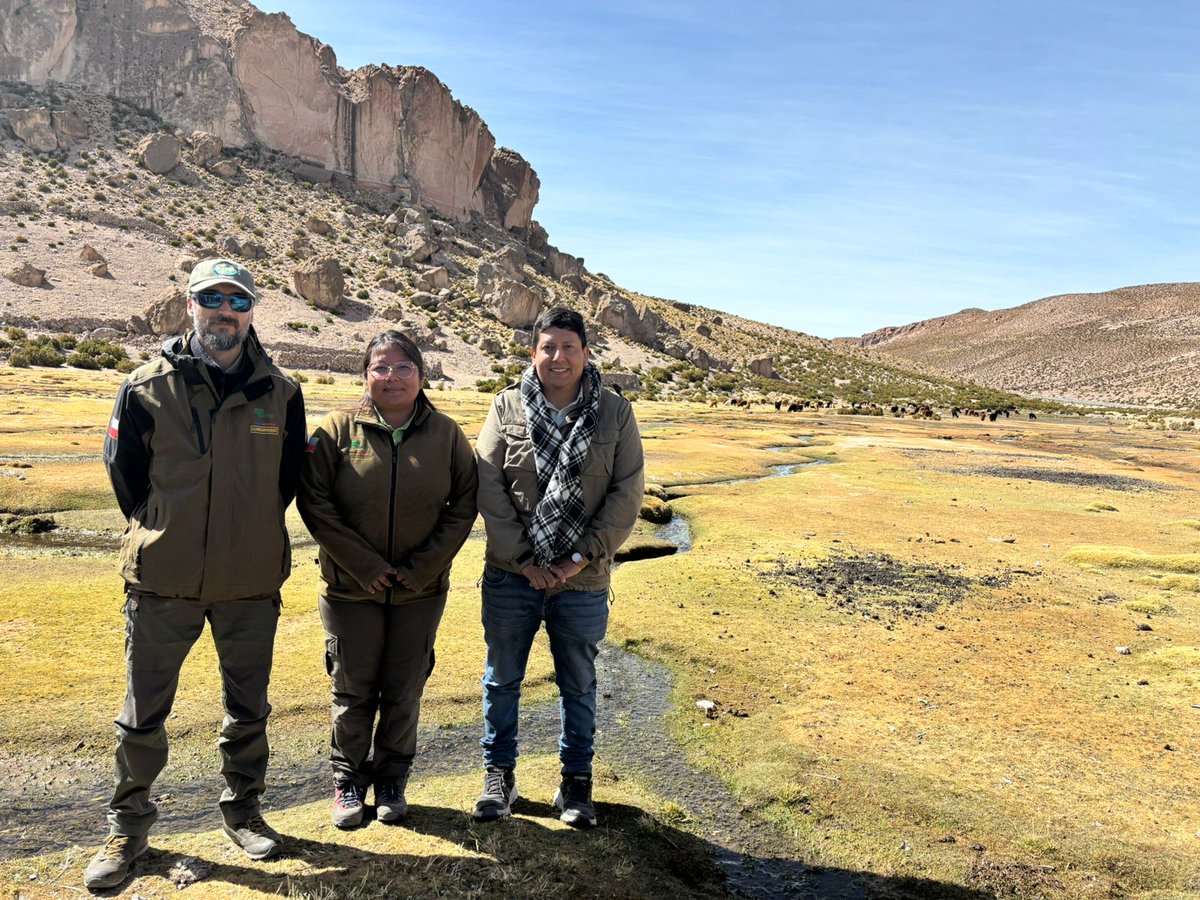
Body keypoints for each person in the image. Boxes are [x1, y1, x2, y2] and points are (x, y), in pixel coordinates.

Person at [85, 258, 306, 890]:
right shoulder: (146, 386)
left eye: (236, 301)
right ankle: (127, 829)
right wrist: (165, 526)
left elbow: (285, 483)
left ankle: (244, 812)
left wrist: (245, 531)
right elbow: (125, 475)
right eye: (211, 298)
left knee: (248, 709)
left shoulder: (281, 392)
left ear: (251, 311)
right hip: (163, 581)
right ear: (190, 305)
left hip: (250, 583)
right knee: (141, 716)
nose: (224, 311)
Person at [472, 306, 644, 828]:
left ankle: (576, 784)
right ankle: (498, 776)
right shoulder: (505, 408)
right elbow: (488, 485)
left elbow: (626, 493)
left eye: (569, 346)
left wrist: (575, 560)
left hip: (583, 580)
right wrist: (526, 561)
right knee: (502, 679)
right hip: (510, 574)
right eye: (548, 347)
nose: (559, 356)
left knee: (579, 684)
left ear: (587, 353)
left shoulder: (615, 413)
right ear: (533, 352)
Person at [298, 331, 477, 828]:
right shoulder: (335, 431)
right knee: (352, 689)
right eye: (380, 367)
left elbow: (463, 505)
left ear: (421, 375)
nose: (392, 377)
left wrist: (422, 569)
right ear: (365, 375)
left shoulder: (447, 434)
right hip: (350, 589)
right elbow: (315, 502)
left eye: (403, 367)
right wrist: (366, 566)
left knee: (405, 688)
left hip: (421, 592)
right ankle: (349, 783)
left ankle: (393, 780)